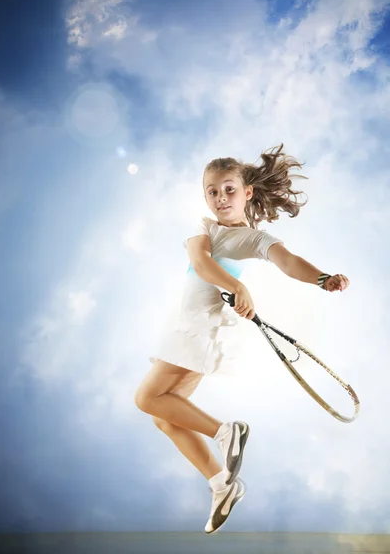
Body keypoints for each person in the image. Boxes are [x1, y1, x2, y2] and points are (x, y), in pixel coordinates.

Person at [134, 144, 350, 534]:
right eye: (212, 191)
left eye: (229, 189)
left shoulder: (254, 240)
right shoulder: (203, 227)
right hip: (192, 330)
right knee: (163, 415)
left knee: (146, 398)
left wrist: (322, 278)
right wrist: (238, 287)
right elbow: (201, 263)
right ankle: (222, 485)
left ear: (247, 191)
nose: (220, 198)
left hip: (199, 329)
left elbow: (288, 262)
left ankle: (226, 432)